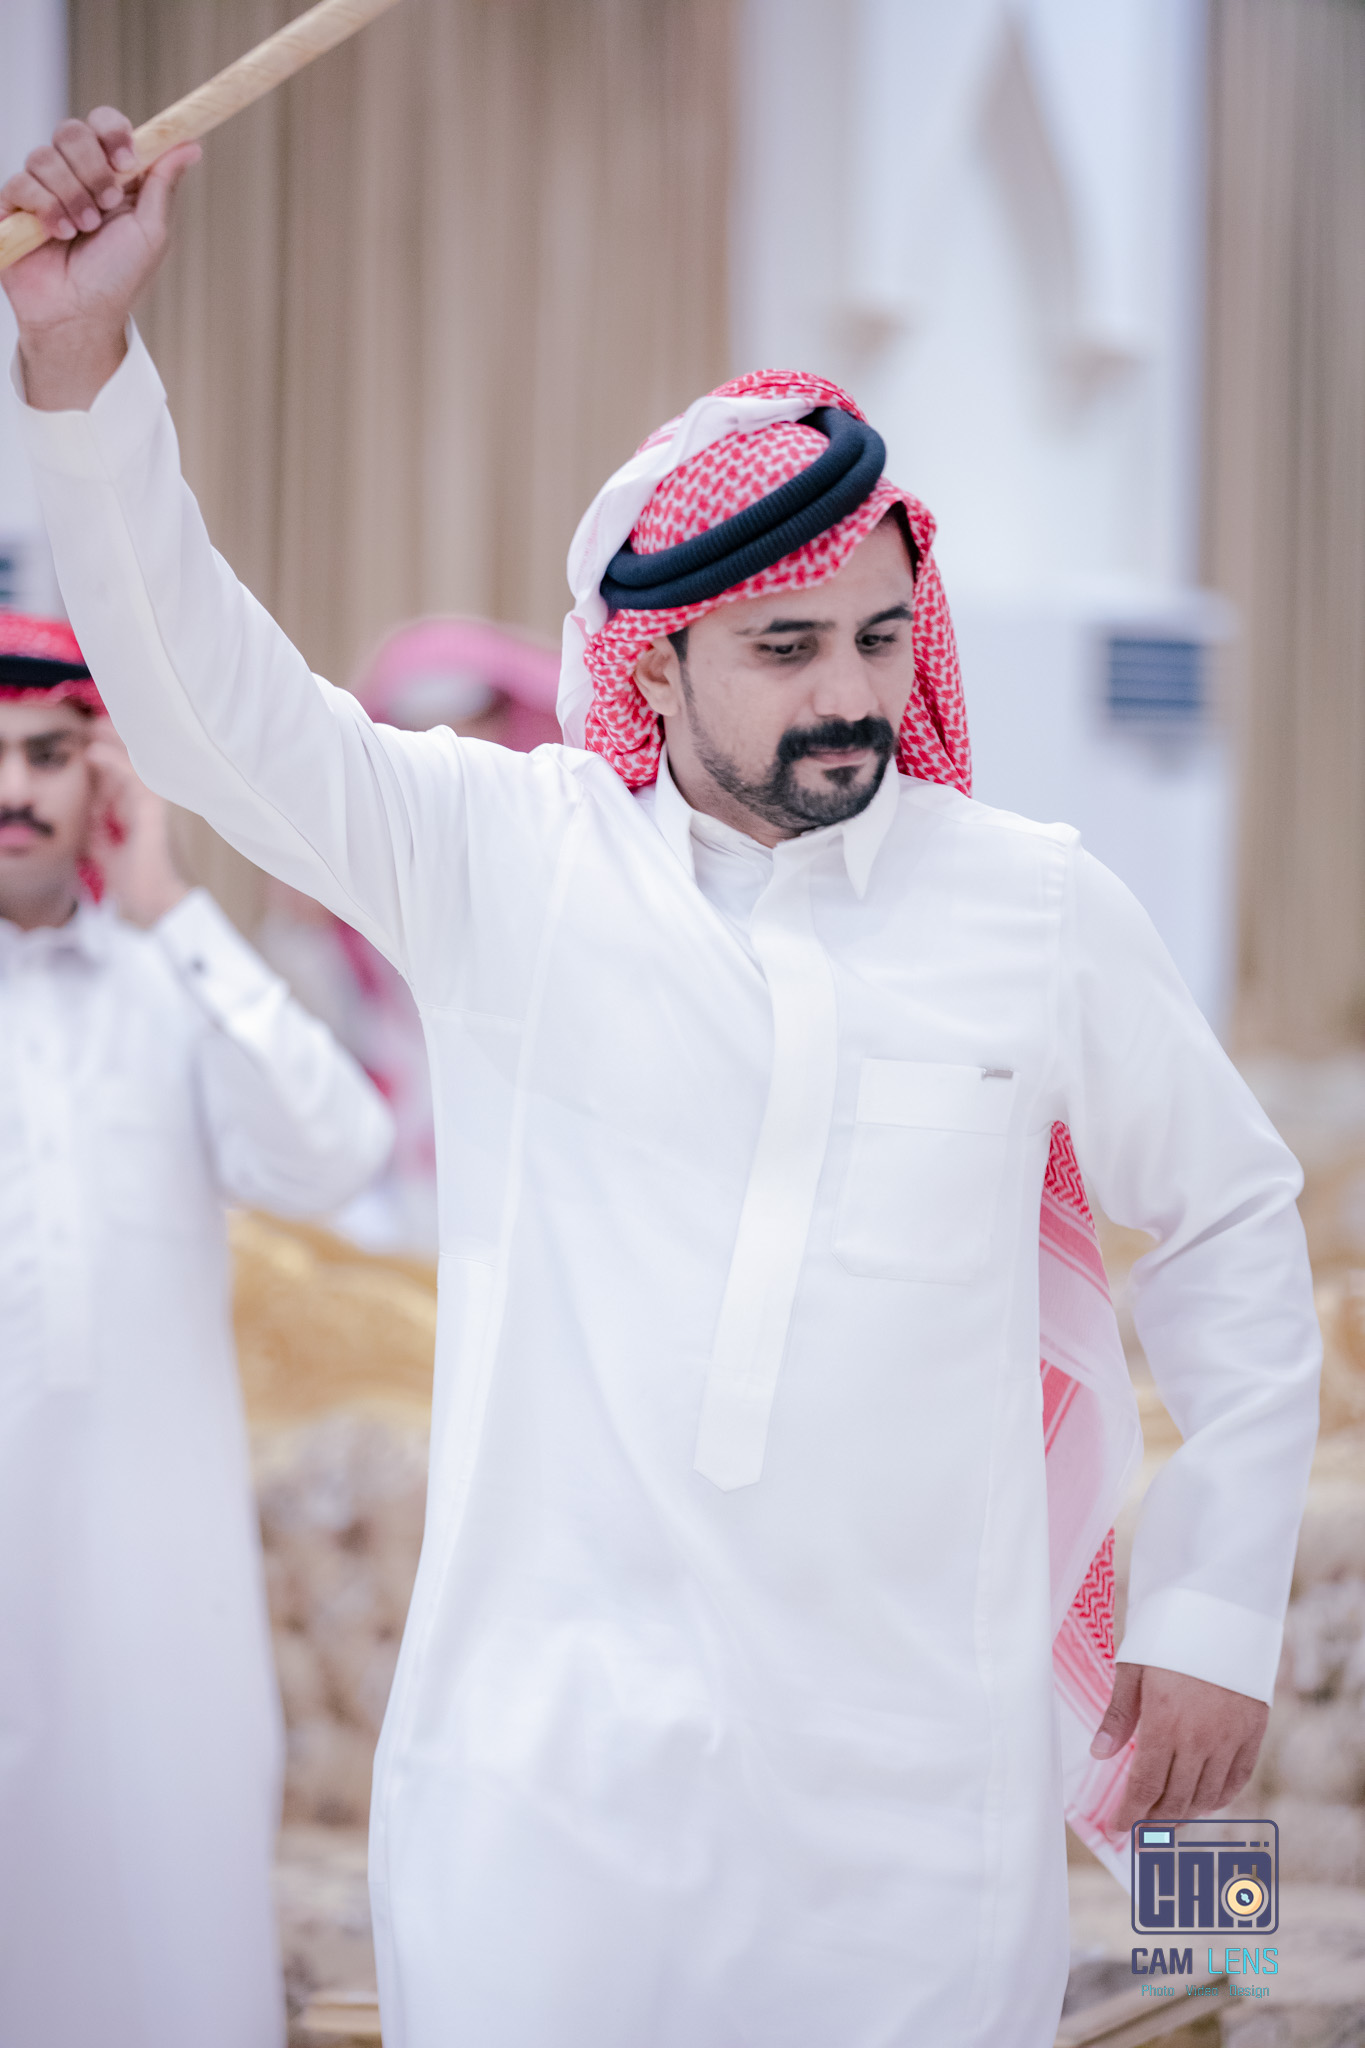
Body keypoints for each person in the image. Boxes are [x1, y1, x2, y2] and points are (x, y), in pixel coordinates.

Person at [1, 119, 1320, 2048]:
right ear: (655, 658)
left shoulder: (1029, 905)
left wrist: (1210, 1613)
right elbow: (208, 706)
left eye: (880, 638)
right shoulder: (503, 866)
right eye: (786, 647)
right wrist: (81, 362)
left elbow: (1231, 1219)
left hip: (911, 1821)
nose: (850, 694)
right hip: (550, 1807)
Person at [0, 609, 394, 2048]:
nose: (17, 789)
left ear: (105, 774)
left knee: (165, 1929)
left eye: (50, 752)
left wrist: (171, 903)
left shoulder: (177, 989)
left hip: (161, 1593)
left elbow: (338, 1153)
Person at [256, 613, 560, 1252]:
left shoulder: (563, 857)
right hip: (400, 1185)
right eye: (420, 731)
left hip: (540, 1180)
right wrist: (304, 929)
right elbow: (312, 1045)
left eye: (469, 721)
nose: (448, 747)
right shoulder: (361, 871)